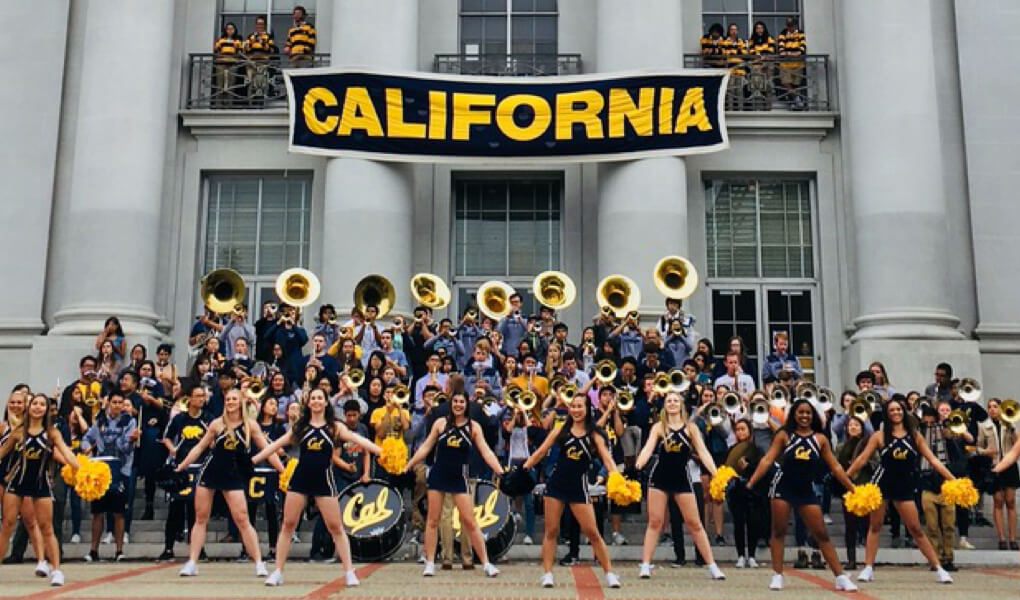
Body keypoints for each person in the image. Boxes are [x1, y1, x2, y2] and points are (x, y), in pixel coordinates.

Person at [253, 388, 380, 587]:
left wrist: (382, 451)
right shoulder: (301, 427)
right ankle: (277, 571)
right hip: (300, 480)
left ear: (326, 402)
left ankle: (349, 572)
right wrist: (252, 460)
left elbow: (360, 440)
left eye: (320, 398)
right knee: (287, 524)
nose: (317, 401)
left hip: (324, 480)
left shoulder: (335, 427)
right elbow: (274, 446)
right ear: (309, 402)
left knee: (336, 527)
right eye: (313, 398)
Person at [744, 399, 859, 591]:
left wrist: (853, 488)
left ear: (813, 415)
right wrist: (750, 483)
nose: (804, 416)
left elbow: (836, 467)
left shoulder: (820, 439)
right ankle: (777, 574)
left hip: (805, 490)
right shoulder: (784, 435)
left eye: (808, 413)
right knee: (778, 531)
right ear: (793, 415)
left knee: (821, 533)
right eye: (800, 412)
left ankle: (840, 577)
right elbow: (767, 460)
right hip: (782, 487)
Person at [174, 389, 285, 577]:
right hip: (210, 471)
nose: (230, 402)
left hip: (233, 475)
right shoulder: (216, 424)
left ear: (241, 401)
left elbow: (268, 449)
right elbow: (200, 447)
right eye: (228, 399)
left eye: (234, 399)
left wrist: (283, 471)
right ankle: (192, 561)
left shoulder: (251, 426)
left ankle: (259, 562)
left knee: (242, 519)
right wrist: (181, 466)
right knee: (200, 517)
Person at [847, 396, 956, 584]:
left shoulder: (915, 436)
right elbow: (862, 459)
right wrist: (845, 476)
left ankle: (938, 568)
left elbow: (933, 460)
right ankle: (868, 567)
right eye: (892, 410)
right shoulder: (879, 436)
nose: (896, 413)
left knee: (915, 529)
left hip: (904, 485)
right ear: (887, 415)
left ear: (903, 412)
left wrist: (953, 480)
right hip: (881, 483)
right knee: (875, 526)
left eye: (899, 410)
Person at [522, 393, 623, 589]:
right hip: (556, 486)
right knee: (551, 531)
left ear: (587, 409)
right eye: (573, 406)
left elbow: (606, 458)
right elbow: (540, 452)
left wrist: (617, 477)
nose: (576, 410)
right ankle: (548, 574)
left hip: (579, 488)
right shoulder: (561, 430)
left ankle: (609, 573)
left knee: (593, 533)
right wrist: (523, 468)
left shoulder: (594, 434)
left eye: (580, 406)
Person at [404, 392, 504, 578]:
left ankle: (486, 563)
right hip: (438, 475)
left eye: (462, 402)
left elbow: (487, 452)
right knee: (433, 520)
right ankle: (430, 562)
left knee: (470, 521)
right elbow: (425, 447)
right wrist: (409, 465)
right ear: (451, 404)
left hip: (460, 477)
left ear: (467, 404)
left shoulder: (473, 427)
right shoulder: (440, 423)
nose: (458, 405)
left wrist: (500, 471)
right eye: (455, 401)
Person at [634, 391, 726, 580]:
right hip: (659, 477)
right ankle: (645, 564)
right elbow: (648, 448)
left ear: (682, 405)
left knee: (695, 523)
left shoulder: (691, 428)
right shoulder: (659, 427)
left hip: (682, 478)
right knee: (654, 522)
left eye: (676, 400)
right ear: (664, 405)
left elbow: (703, 452)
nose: (672, 403)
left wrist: (717, 473)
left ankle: (712, 566)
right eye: (669, 400)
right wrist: (638, 464)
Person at [0, 394, 78, 587]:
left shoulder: (52, 433)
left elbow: (66, 452)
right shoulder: (18, 432)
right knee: (7, 525)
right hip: (17, 483)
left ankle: (57, 570)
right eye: (35, 403)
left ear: (46, 409)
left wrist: (79, 466)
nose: (38, 407)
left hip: (41, 484)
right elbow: (2, 453)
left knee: (46, 527)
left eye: (42, 404)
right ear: (29, 406)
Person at [80, 391, 136, 563]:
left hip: (121, 469)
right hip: (100, 469)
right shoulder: (100, 421)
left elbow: (126, 448)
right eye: (114, 402)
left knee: (119, 512)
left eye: (120, 402)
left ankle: (119, 550)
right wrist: (86, 447)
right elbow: (86, 438)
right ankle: (93, 550)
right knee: (97, 512)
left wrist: (131, 439)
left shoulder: (129, 421)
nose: (117, 405)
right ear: (109, 403)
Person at [159, 385, 211, 561]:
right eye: (197, 396)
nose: (201, 399)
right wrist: (172, 449)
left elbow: (213, 441)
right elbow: (165, 437)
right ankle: (168, 548)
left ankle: (198, 548)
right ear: (189, 398)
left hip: (201, 468)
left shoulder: (207, 419)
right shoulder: (179, 419)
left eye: (203, 396)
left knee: (197, 511)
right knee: (175, 509)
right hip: (181, 468)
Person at [724, 418, 766, 569]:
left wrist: (749, 467)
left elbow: (762, 467)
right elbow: (726, 468)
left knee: (753, 523)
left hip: (753, 490)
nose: (740, 432)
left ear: (750, 431)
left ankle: (752, 555)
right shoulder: (732, 449)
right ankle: (741, 555)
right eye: (738, 429)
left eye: (743, 429)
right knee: (739, 523)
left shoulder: (756, 449)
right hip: (736, 489)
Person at [978, 398, 1018, 550]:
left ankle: (1013, 538)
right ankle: (1001, 537)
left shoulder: (1009, 424)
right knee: (998, 500)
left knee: (1010, 500)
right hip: (994, 465)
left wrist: (1011, 427)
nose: (992, 409)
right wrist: (986, 451)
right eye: (989, 407)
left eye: (995, 406)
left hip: (1009, 466)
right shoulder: (984, 426)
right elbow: (978, 447)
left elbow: (1017, 444)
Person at [834, 415, 873, 569]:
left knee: (866, 526)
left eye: (857, 425)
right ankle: (851, 559)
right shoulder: (840, 447)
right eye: (851, 425)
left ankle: (869, 560)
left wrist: (861, 462)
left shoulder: (868, 444)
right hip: (848, 488)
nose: (853, 427)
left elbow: (875, 463)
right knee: (850, 526)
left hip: (865, 487)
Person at [243, 15, 276, 106]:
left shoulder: (268, 36)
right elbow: (246, 50)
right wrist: (247, 45)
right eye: (258, 24)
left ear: (264, 25)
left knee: (261, 83)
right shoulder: (251, 36)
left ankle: (260, 104)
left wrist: (262, 42)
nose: (259, 26)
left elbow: (271, 50)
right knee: (250, 82)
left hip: (263, 62)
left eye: (261, 24)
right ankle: (250, 104)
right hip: (251, 63)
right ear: (255, 25)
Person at [776, 17, 807, 109]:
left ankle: (793, 102)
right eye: (788, 25)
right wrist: (791, 53)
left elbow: (802, 47)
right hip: (786, 64)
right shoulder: (783, 34)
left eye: (792, 25)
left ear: (795, 25)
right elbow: (781, 50)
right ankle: (796, 99)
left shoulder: (800, 33)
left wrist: (792, 53)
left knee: (796, 83)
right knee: (786, 82)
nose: (790, 27)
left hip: (798, 64)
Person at [212, 22, 243, 107]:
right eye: (228, 29)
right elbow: (216, 50)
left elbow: (240, 52)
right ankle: (218, 105)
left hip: (232, 64)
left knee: (231, 85)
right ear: (225, 30)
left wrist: (236, 47)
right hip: (221, 64)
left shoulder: (237, 41)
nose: (230, 31)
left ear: (234, 30)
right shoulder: (220, 39)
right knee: (220, 85)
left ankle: (229, 105)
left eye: (231, 29)